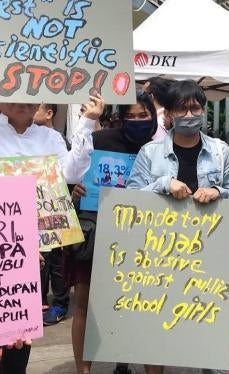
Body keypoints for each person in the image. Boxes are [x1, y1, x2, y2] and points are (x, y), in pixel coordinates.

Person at [127, 80, 229, 374]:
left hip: (208, 253)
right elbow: (130, 196)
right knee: (156, 322)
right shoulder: (150, 152)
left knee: (207, 322)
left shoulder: (220, 151)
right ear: (169, 114)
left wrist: (217, 191)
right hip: (160, 254)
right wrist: (164, 184)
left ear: (203, 110)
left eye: (195, 107)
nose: (189, 114)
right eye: (182, 108)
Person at [0, 95, 104, 374]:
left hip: (26, 255)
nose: (23, 102)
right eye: (14, 95)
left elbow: (71, 172)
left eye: (31, 97)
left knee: (16, 339)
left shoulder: (50, 138)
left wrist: (88, 121)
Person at [68, 91, 158, 374]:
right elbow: (72, 170)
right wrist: (73, 189)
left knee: (140, 307)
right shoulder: (99, 141)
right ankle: (84, 370)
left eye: (142, 116)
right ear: (120, 118)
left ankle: (132, 363)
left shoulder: (161, 150)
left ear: (153, 118)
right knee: (84, 304)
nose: (136, 121)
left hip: (143, 238)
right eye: (129, 116)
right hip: (95, 231)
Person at [33, 103, 72, 325]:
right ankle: (39, 300)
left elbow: (69, 174)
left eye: (35, 107)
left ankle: (60, 303)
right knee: (40, 258)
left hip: (54, 206)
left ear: (49, 114)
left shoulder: (57, 140)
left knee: (57, 259)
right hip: (33, 207)